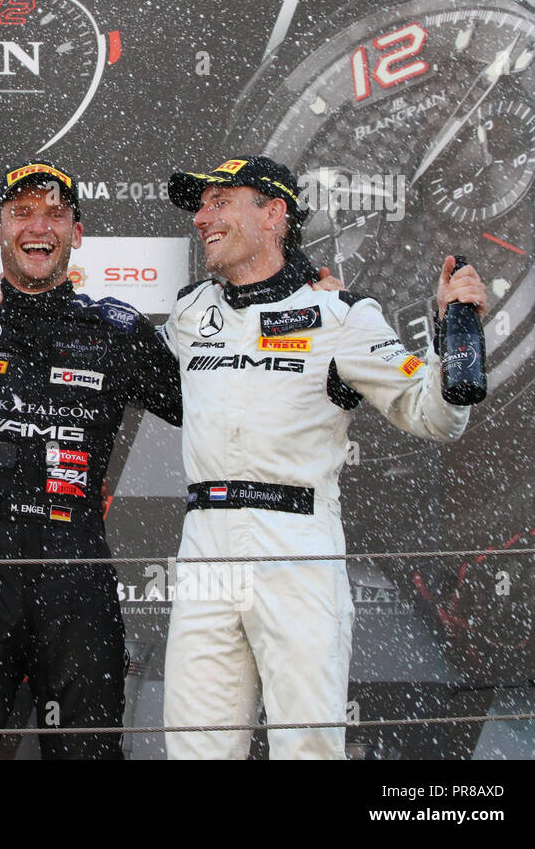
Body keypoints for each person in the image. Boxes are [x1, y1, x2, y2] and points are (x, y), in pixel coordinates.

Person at [160, 155, 487, 759]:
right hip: (205, 541)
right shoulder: (189, 312)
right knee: (194, 748)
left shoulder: (342, 316)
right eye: (200, 205)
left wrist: (456, 333)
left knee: (307, 746)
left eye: (219, 202)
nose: (202, 217)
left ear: (274, 213)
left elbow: (435, 414)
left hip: (296, 543)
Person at [0, 161, 182, 758]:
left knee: (87, 749)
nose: (40, 226)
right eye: (23, 212)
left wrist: (296, 294)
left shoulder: (117, 330)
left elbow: (207, 401)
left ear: (77, 234)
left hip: (74, 574)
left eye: (55, 213)